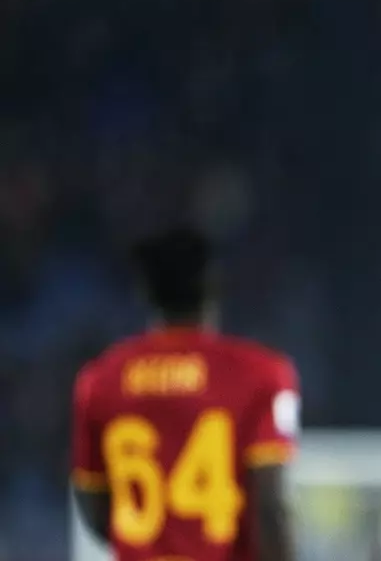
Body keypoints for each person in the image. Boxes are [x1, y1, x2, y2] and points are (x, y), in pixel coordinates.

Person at [70, 227, 300, 561]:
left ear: (145, 293)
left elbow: (93, 504)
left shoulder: (99, 380)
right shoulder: (262, 374)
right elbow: (269, 508)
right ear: (215, 287)